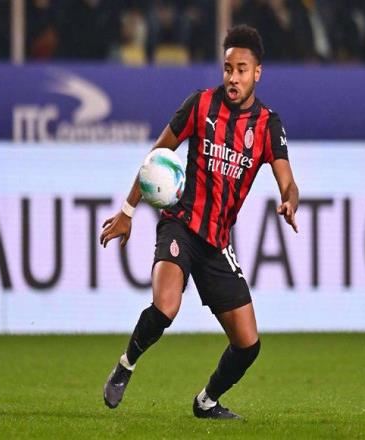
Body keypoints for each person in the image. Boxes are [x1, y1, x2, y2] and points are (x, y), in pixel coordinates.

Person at [100, 24, 299, 419]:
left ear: (257, 73)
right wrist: (127, 211)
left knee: (248, 344)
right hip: (181, 224)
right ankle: (126, 364)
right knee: (166, 307)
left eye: (242, 70)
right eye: (228, 69)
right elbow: (156, 156)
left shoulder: (267, 125)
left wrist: (289, 201)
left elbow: (288, 182)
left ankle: (206, 401)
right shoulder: (200, 105)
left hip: (216, 243)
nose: (233, 78)